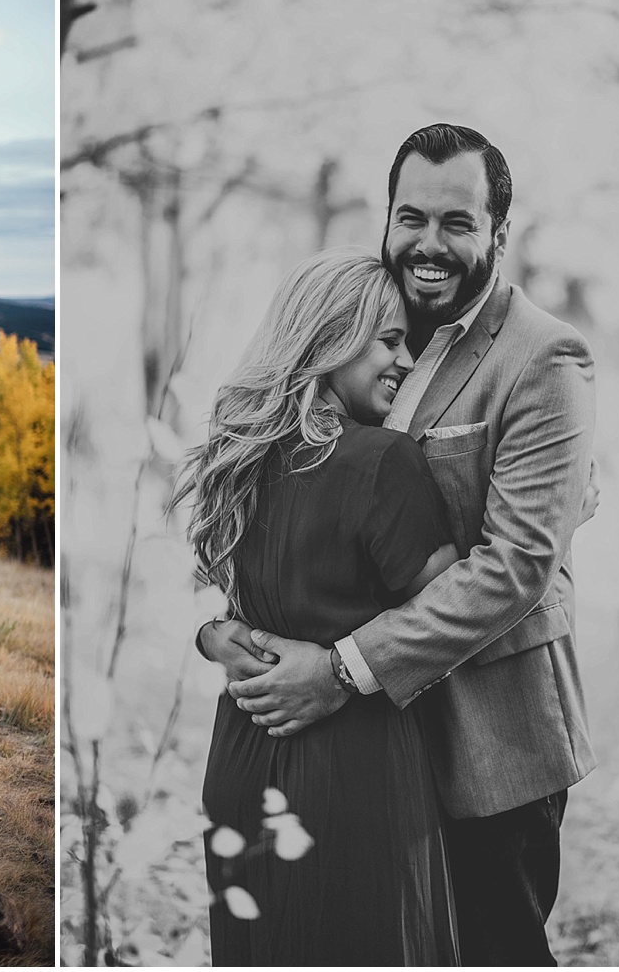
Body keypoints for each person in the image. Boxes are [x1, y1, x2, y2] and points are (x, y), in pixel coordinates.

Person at [205, 123, 597, 965]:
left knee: (498, 951)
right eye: (411, 216)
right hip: (368, 755)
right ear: (386, 217)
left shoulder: (544, 358)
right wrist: (222, 632)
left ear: (498, 232)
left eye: (457, 223)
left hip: (492, 736)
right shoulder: (366, 324)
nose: (429, 242)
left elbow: (516, 564)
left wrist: (341, 666)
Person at [176, 251, 463, 964]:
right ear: (330, 337)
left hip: (240, 760)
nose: (405, 361)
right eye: (389, 339)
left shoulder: (242, 456)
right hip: (355, 769)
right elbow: (453, 615)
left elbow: (232, 611)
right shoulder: (385, 461)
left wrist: (215, 635)